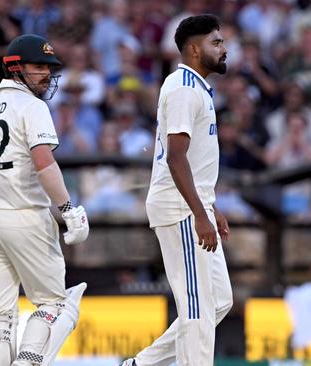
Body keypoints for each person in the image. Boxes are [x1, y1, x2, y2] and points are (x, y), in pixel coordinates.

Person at [0, 34, 89, 366]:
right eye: (39, 67)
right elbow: (44, 164)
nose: (47, 75)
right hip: (26, 218)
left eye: (49, 68)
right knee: (53, 304)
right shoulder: (33, 107)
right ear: (15, 68)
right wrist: (68, 210)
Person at [121, 15, 233, 366]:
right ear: (195, 49)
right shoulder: (184, 87)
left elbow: (193, 162)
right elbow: (176, 157)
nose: (224, 49)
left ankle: (141, 364)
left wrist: (210, 207)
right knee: (197, 307)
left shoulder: (195, 86)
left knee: (217, 302)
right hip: (180, 210)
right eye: (216, 42)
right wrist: (199, 214)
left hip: (194, 205)